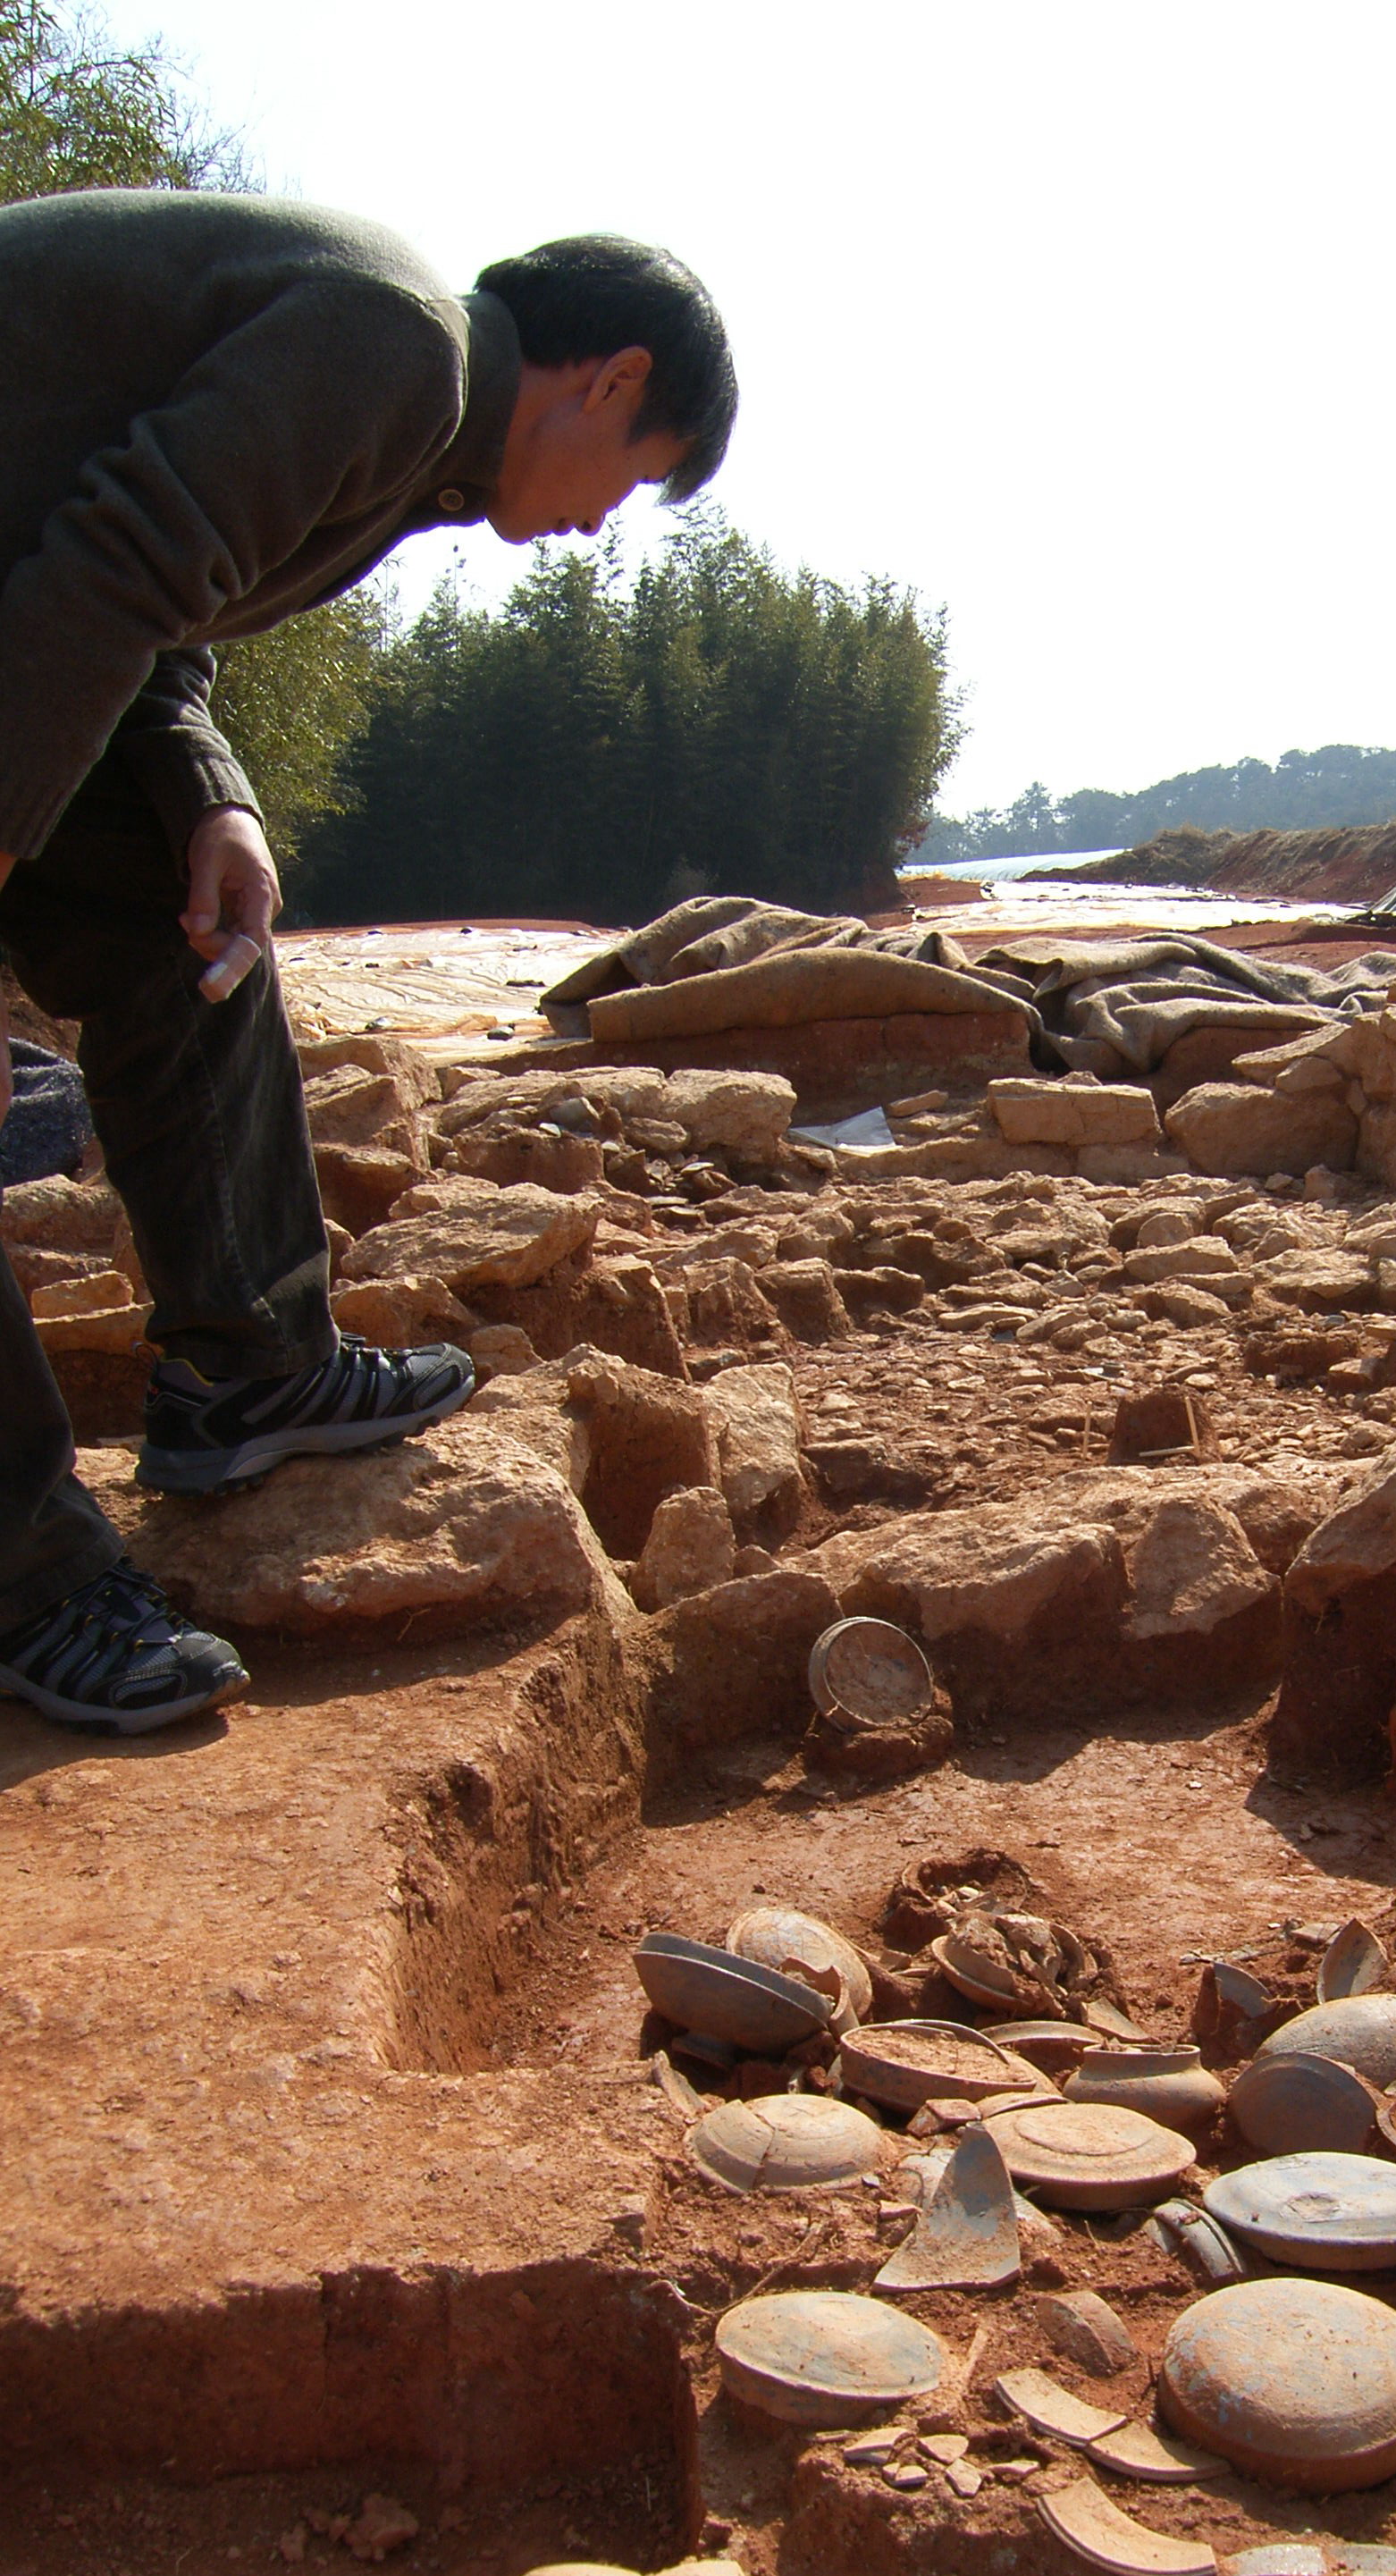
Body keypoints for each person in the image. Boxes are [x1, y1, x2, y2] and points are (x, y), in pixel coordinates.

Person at [0, 191, 734, 1736]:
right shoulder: (397, 349)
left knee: (183, 914)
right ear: (609, 378)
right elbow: (107, 575)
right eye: (634, 477)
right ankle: (27, 1582)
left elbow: (149, 597)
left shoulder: (420, 424)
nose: (601, 522)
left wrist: (211, 797)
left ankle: (252, 1368)